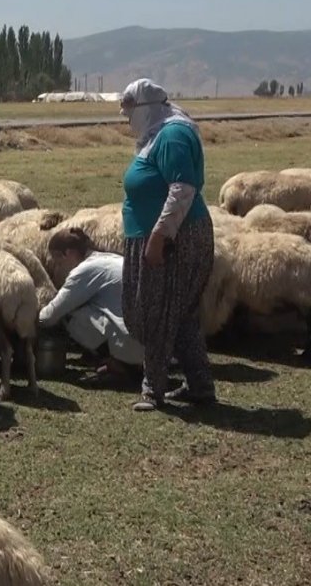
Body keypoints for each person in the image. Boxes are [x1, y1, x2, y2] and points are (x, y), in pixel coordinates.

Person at [119, 78, 216, 412]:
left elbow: (182, 189)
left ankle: (153, 389)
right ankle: (200, 385)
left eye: (129, 109)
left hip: (176, 238)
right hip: (168, 235)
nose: (126, 116)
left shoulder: (172, 134)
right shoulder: (158, 134)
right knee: (179, 314)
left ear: (146, 108)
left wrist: (160, 236)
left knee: (157, 310)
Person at [39, 226, 144, 384]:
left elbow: (50, 315)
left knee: (70, 314)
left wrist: (34, 316)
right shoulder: (108, 259)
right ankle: (130, 363)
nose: (59, 268)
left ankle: (121, 366)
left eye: (58, 262)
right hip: (150, 340)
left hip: (133, 341)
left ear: (68, 253)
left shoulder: (83, 271)